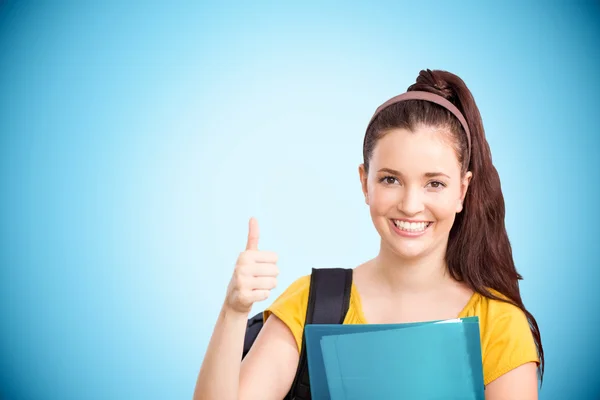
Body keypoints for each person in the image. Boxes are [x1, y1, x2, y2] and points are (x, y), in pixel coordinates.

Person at [193, 69, 544, 400]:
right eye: (390, 179)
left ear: (462, 192)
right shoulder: (312, 304)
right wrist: (234, 311)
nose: (410, 205)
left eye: (434, 183)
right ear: (364, 182)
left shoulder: (499, 325)